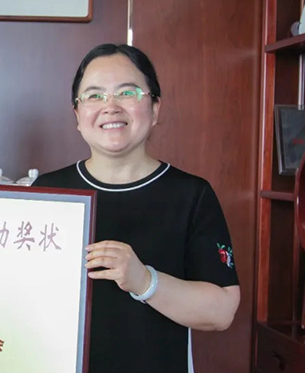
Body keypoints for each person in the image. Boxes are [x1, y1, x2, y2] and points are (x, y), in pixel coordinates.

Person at [31, 43, 240, 373]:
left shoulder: (191, 195)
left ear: (155, 108)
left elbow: (222, 311)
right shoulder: (49, 191)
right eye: (94, 96)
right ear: (77, 115)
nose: (110, 106)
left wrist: (145, 281)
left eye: (127, 93)